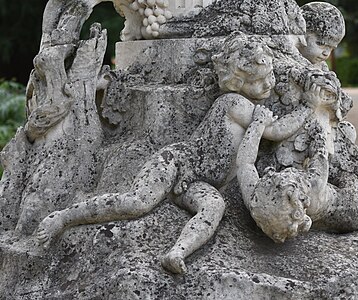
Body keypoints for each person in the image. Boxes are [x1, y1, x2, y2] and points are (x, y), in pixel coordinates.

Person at [35, 33, 313, 274]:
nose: (269, 85)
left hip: (200, 181)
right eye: (260, 80)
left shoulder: (250, 109)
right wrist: (307, 108)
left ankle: (177, 252)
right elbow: (276, 131)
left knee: (214, 206)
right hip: (179, 162)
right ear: (237, 82)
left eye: (271, 76)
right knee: (137, 202)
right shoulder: (234, 103)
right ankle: (61, 218)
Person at [236, 86, 358, 243]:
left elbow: (245, 163)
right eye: (279, 180)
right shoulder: (314, 185)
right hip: (351, 206)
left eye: (271, 180)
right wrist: (314, 127)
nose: (272, 175)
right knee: (347, 172)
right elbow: (320, 152)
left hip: (332, 210)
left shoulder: (256, 199)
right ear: (301, 196)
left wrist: (258, 123)